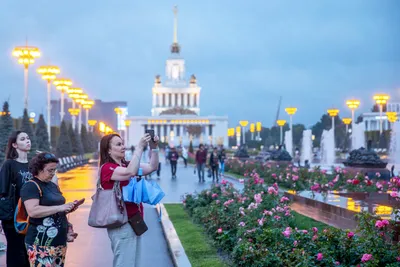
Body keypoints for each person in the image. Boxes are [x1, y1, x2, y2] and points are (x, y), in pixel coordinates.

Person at [99, 133, 159, 266]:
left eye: (123, 143)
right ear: (108, 150)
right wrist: (139, 148)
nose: (123, 147)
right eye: (118, 144)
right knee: (125, 264)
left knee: (133, 263)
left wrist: (154, 147)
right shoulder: (107, 168)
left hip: (134, 221)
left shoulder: (126, 164)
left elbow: (152, 167)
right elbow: (130, 172)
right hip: (121, 224)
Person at [21, 152, 79, 266]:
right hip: (41, 244)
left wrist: (67, 213)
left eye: (54, 170)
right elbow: (33, 211)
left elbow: (56, 210)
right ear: (39, 169)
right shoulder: (31, 186)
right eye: (50, 170)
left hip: (58, 242)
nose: (53, 173)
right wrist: (59, 207)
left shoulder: (52, 185)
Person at [0, 131, 33, 267]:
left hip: (31, 215)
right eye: (23, 139)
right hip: (13, 217)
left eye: (28, 138)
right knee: (15, 252)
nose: (27, 141)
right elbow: (2, 191)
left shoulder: (33, 165)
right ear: (14, 144)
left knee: (28, 252)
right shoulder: (9, 165)